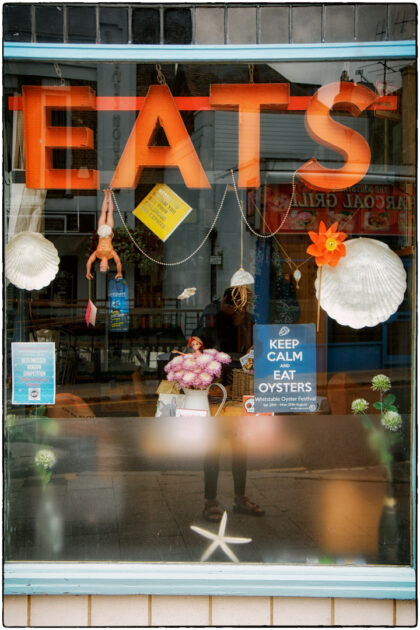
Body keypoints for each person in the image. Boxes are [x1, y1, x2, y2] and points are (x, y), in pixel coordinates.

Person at [202, 287, 265, 522]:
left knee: (240, 446)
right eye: (237, 305)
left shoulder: (249, 322)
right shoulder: (215, 321)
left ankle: (240, 497)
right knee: (213, 446)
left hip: (242, 389)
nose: (242, 309)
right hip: (218, 392)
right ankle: (210, 500)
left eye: (245, 304)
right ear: (226, 305)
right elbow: (206, 347)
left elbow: (255, 349)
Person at [86, 189, 123, 280]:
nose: (101, 266)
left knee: (103, 212)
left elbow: (89, 262)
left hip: (101, 232)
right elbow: (118, 262)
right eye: (103, 267)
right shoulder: (111, 254)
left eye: (100, 267)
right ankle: (109, 194)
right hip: (108, 232)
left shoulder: (97, 254)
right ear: (107, 266)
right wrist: (119, 272)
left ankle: (106, 194)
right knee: (109, 213)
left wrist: (88, 272)